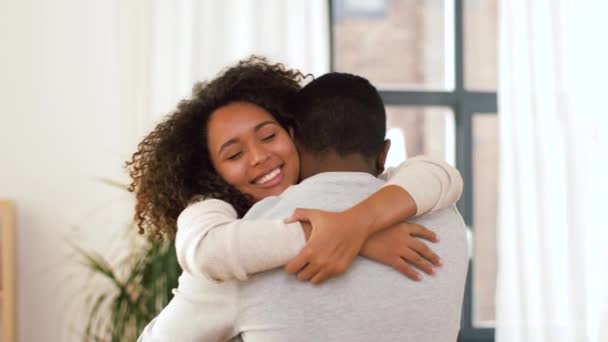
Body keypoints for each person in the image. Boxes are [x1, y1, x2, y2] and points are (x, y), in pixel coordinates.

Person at [130, 58, 465, 341]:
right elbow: (207, 250)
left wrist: (354, 224)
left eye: (268, 136)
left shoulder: (243, 266)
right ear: (210, 173)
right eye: (233, 155)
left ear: (294, 135)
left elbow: (438, 174)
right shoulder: (444, 221)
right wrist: (350, 234)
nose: (259, 157)